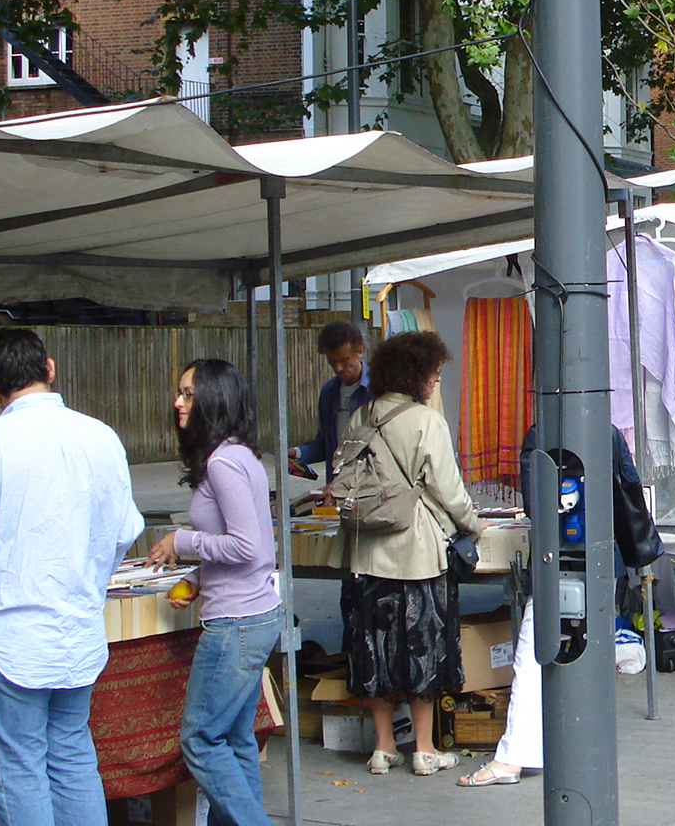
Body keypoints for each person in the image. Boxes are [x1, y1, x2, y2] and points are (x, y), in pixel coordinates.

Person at [0, 328, 145, 826]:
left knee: (19, 767)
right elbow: (123, 532)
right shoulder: (101, 436)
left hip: (8, 635)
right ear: (49, 368)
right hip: (78, 629)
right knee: (72, 755)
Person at [457, 423, 661, 787]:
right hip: (602, 560)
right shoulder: (607, 431)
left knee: (533, 653)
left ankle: (515, 756)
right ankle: (573, 746)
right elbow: (628, 489)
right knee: (588, 653)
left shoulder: (540, 435)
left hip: (556, 562)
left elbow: (535, 502)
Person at [332, 330, 483, 777]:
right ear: (417, 374)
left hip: (364, 553)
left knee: (372, 650)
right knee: (424, 648)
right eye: (434, 372)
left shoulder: (361, 416)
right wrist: (475, 523)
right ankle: (424, 748)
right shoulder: (425, 420)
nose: (437, 380)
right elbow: (448, 489)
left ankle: (382, 748)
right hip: (415, 554)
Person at [146, 359, 280, 826]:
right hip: (253, 612)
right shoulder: (236, 455)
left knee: (201, 740)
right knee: (236, 737)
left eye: (188, 393)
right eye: (179, 392)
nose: (178, 402)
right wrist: (199, 579)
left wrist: (180, 541)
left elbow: (248, 545)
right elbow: (254, 545)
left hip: (237, 624)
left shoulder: (224, 461)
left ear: (214, 400)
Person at [289, 320, 372, 484]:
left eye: (344, 360)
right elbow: (325, 445)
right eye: (332, 361)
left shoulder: (377, 389)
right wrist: (297, 453)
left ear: (360, 351)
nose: (338, 367)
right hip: (336, 485)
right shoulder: (328, 391)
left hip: (369, 486)